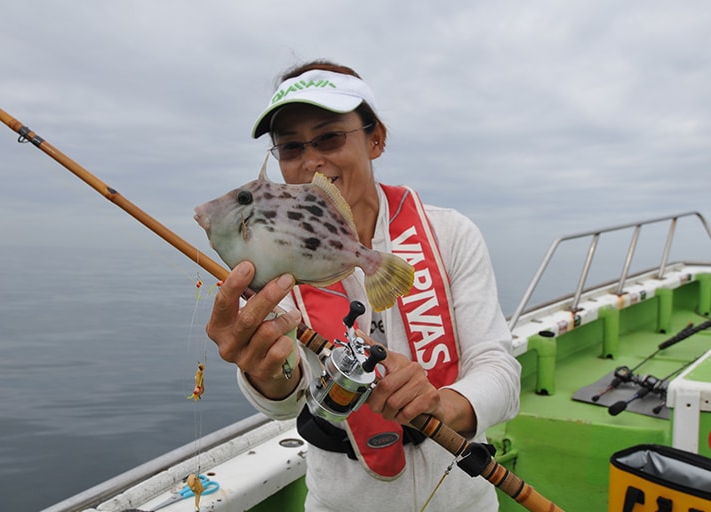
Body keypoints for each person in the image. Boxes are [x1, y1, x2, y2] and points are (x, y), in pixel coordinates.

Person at [205, 60, 521, 511]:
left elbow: (500, 371)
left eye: (329, 137)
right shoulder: (274, 261)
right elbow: (286, 396)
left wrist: (442, 405)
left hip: (462, 499)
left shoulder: (450, 233)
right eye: (291, 148)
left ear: (376, 139)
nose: (311, 160)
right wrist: (264, 370)